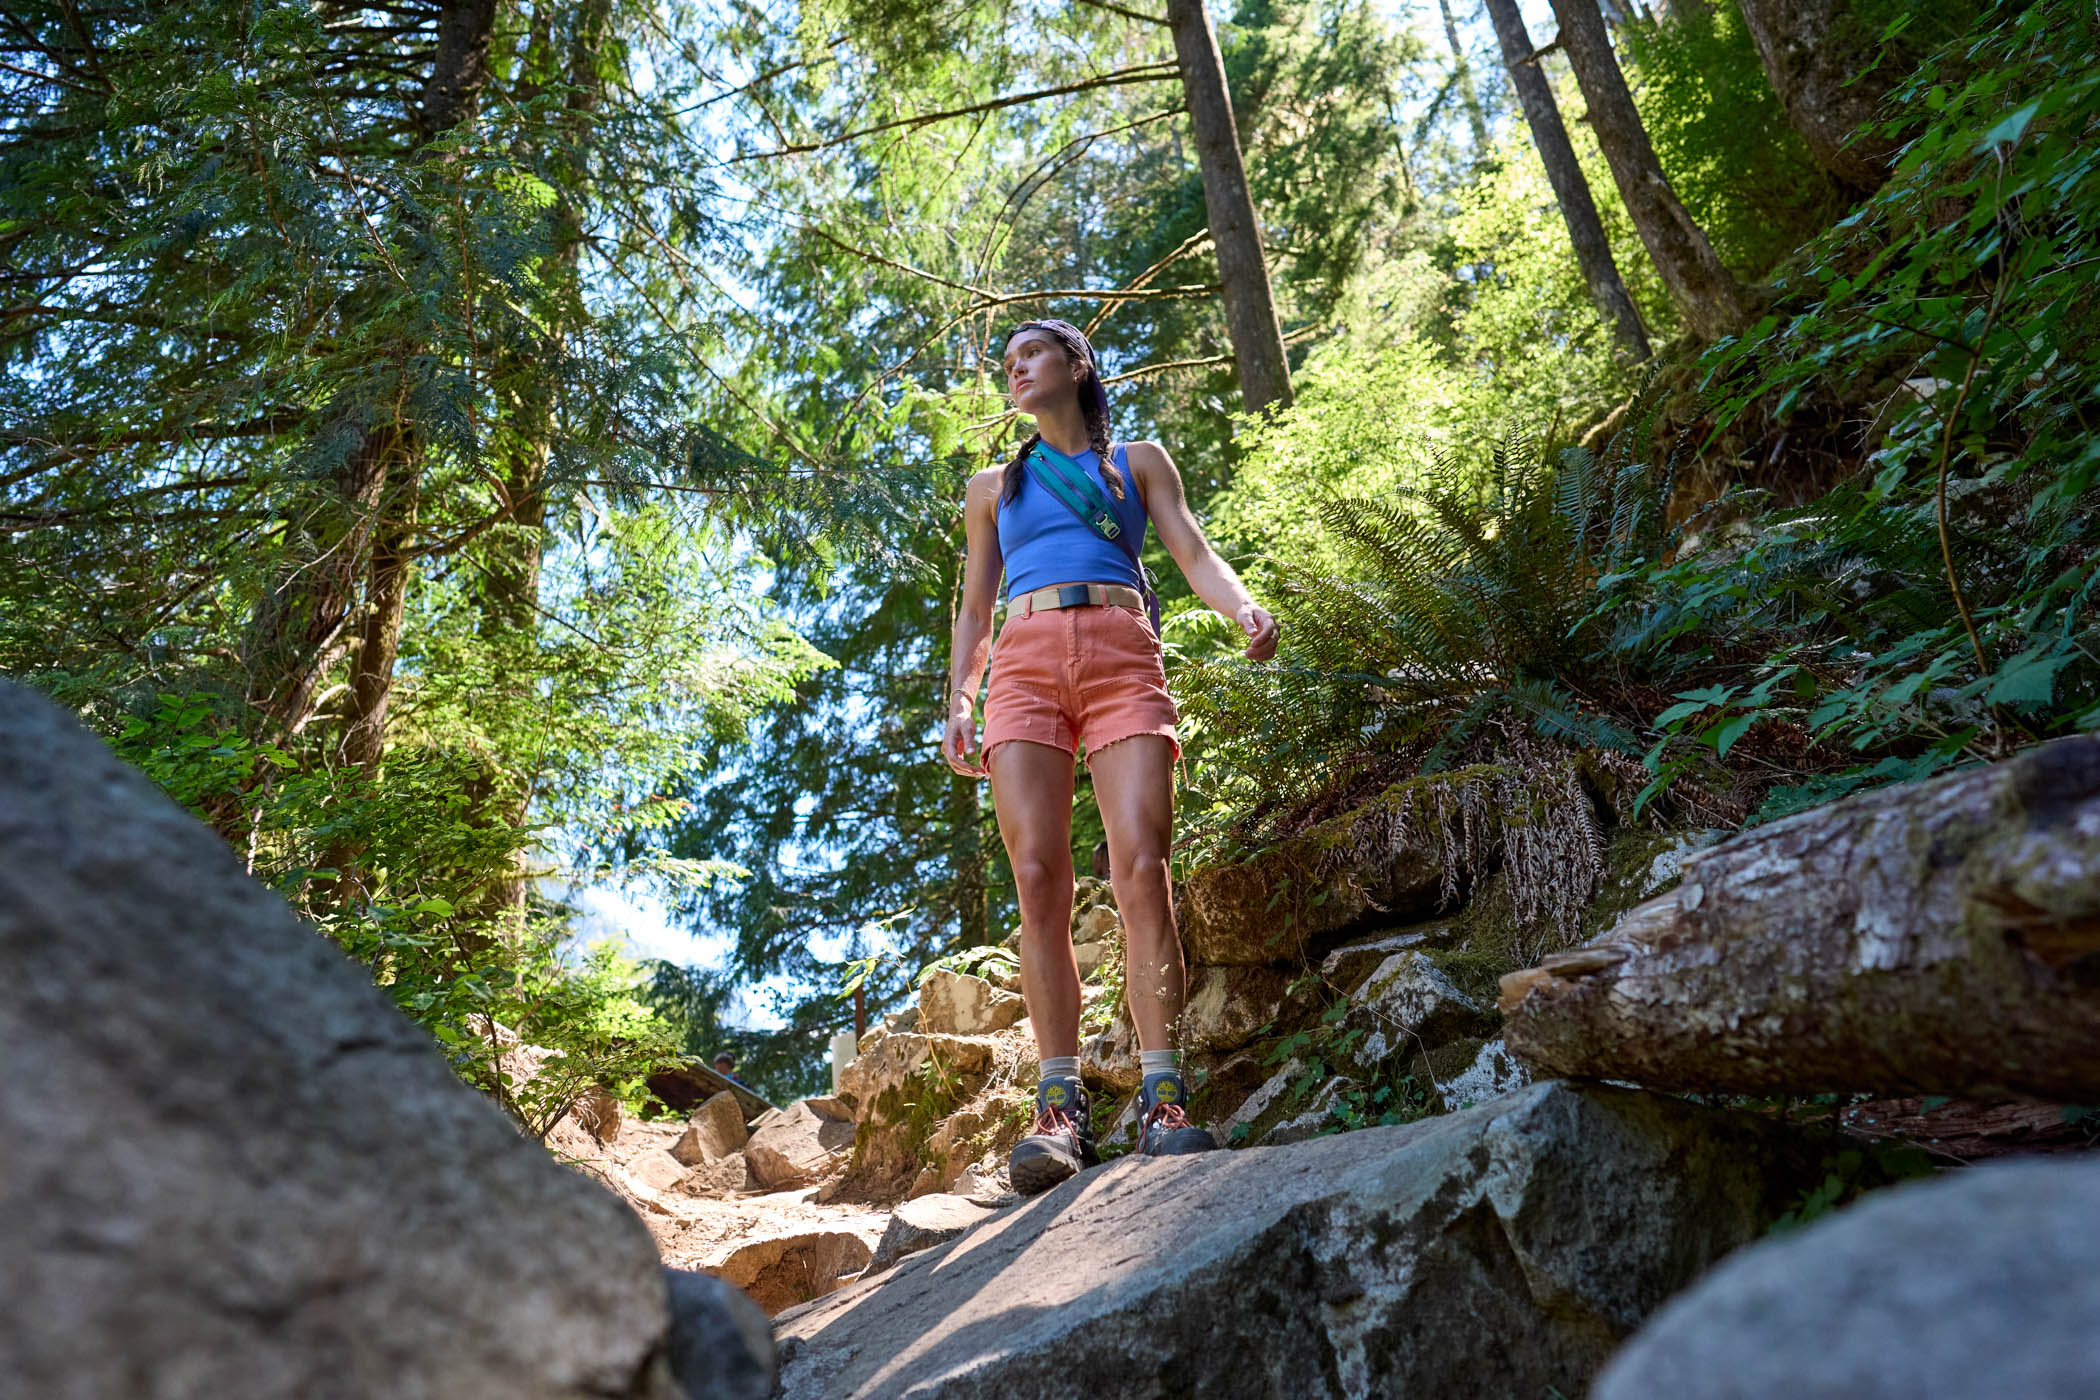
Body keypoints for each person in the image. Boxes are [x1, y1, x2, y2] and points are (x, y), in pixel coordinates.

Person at [942, 319, 1280, 1196]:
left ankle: (1165, 1097)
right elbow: (975, 611)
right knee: (1039, 878)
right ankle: (1058, 1111)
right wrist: (959, 699)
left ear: (1078, 366)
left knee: (1142, 866)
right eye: (1006, 360)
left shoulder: (1139, 462)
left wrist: (1243, 610)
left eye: (1032, 354)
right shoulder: (993, 487)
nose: (1014, 368)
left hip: (1124, 651)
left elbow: (1193, 552)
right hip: (1021, 666)